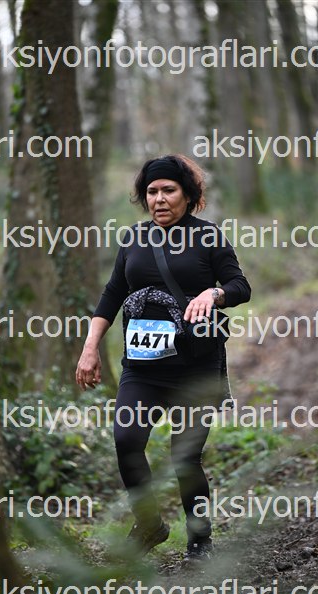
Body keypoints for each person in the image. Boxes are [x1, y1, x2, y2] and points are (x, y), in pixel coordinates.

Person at [75, 154, 251, 561]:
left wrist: (213, 294)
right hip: (143, 366)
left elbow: (240, 286)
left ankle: (200, 540)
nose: (159, 199)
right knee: (126, 440)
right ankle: (149, 524)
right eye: (152, 191)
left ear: (188, 195)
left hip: (195, 365)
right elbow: (112, 294)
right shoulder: (134, 240)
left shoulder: (208, 238)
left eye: (168, 190)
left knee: (185, 457)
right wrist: (89, 347)